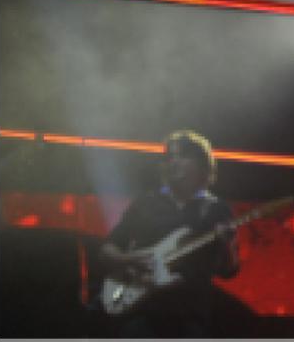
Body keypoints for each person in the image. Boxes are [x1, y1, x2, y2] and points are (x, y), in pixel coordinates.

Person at [98, 131, 242, 338]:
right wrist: (129, 259)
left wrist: (226, 244)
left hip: (189, 317)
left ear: (202, 164)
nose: (173, 162)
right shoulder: (146, 203)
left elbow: (229, 270)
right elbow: (107, 249)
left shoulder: (216, 209)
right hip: (141, 312)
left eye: (182, 156)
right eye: (168, 157)